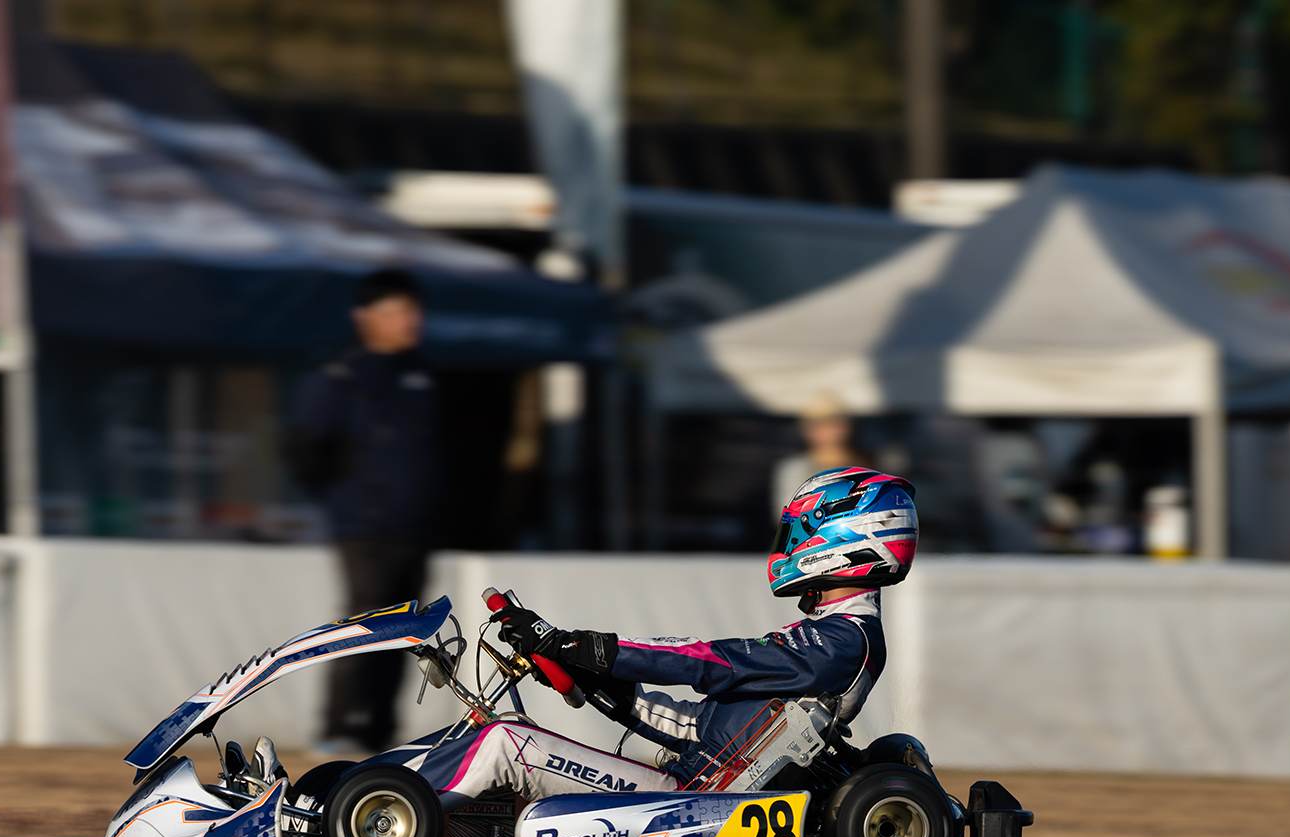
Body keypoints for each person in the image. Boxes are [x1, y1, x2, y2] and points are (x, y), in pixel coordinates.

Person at [415, 467, 919, 808]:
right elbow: (692, 726)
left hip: (691, 801)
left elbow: (707, 661)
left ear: (842, 535)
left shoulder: (840, 642)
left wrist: (575, 644)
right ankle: (390, 794)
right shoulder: (825, 637)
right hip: (693, 781)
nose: (786, 546)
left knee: (505, 745)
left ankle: (395, 808)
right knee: (504, 727)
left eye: (795, 533)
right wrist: (587, 678)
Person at [286, 269, 437, 754]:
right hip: (364, 530)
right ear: (366, 318)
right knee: (363, 626)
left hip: (414, 529)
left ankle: (379, 732)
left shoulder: (422, 376)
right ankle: (339, 728)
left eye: (414, 310)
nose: (411, 321)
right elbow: (304, 450)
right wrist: (352, 499)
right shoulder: (338, 378)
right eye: (399, 311)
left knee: (404, 632)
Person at [772, 393, 868, 516]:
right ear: (807, 430)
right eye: (821, 425)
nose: (829, 431)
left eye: (835, 423)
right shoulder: (794, 469)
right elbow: (788, 514)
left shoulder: (865, 464)